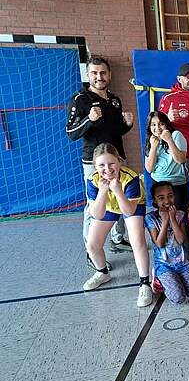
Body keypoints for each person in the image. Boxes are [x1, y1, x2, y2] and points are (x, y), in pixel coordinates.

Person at [66, 56, 134, 266]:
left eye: (103, 73)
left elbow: (115, 131)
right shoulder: (79, 99)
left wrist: (127, 125)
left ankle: (117, 238)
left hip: (116, 159)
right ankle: (91, 250)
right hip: (93, 162)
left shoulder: (114, 100)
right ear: (88, 75)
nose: (99, 77)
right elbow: (71, 132)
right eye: (94, 73)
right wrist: (88, 119)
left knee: (118, 196)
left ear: (109, 75)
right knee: (94, 204)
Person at [82, 143, 151, 307]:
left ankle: (144, 283)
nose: (107, 168)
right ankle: (102, 272)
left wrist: (118, 190)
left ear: (119, 161)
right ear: (95, 166)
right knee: (92, 245)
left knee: (138, 242)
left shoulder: (131, 178)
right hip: (107, 205)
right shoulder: (93, 181)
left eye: (111, 163)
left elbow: (128, 210)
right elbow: (97, 214)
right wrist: (103, 191)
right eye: (101, 165)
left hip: (129, 204)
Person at [145, 182, 189, 304]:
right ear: (154, 200)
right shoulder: (150, 218)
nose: (167, 200)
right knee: (178, 298)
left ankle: (178, 279)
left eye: (170, 196)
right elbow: (159, 243)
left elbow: (181, 240)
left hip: (182, 263)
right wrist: (165, 221)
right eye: (161, 198)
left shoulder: (180, 214)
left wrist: (172, 219)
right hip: (164, 265)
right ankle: (158, 281)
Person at [144, 111, 189, 213]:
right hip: (158, 182)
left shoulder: (176, 135)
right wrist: (154, 148)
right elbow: (149, 169)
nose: (157, 128)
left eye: (161, 124)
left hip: (177, 183)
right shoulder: (150, 141)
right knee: (163, 215)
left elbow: (181, 160)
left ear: (166, 124)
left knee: (180, 216)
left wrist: (169, 141)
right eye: (153, 125)